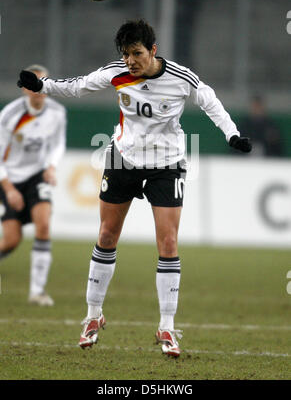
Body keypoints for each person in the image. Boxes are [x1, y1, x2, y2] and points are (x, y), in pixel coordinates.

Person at [17, 20, 251, 356]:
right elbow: (78, 86)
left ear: (153, 50)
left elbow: (210, 101)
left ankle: (167, 327)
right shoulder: (117, 72)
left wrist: (232, 134)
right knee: (107, 236)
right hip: (123, 160)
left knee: (168, 242)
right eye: (126, 54)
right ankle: (93, 316)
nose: (131, 61)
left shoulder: (180, 78)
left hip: (166, 165)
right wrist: (41, 85)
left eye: (137, 53)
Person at [0, 64, 66, 306]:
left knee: (44, 225)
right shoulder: (9, 115)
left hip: (37, 176)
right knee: (11, 240)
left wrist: (51, 166)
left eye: (44, 83)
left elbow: (59, 144)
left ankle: (37, 291)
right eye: (35, 84)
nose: (40, 89)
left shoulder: (57, 113)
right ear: (26, 89)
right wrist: (8, 189)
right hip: (10, 179)